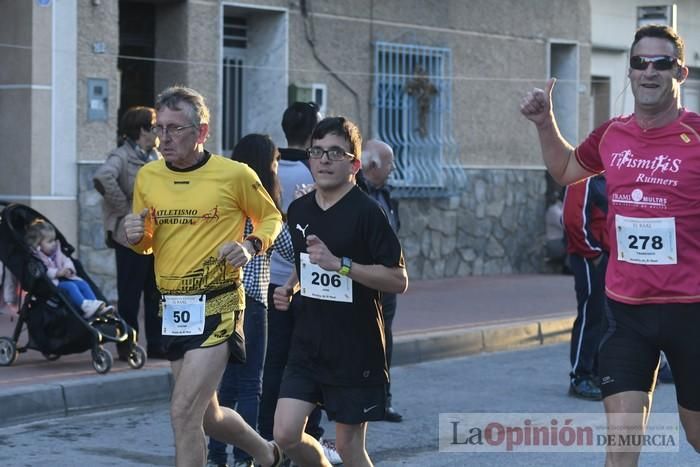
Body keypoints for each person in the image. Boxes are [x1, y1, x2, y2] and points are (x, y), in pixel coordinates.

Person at [521, 24, 700, 466]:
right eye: (640, 63)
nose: (650, 72)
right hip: (625, 312)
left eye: (662, 63)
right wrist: (545, 122)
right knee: (620, 452)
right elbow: (565, 169)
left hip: (691, 311)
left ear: (681, 71)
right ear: (630, 71)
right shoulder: (612, 134)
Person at [123, 86, 283, 467]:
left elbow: (273, 216)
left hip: (219, 303)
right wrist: (136, 237)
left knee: (182, 412)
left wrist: (250, 246)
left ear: (202, 132)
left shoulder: (234, 174)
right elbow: (147, 242)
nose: (164, 138)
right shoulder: (148, 177)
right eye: (160, 128)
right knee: (206, 416)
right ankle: (267, 452)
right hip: (172, 307)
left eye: (176, 128)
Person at [272, 117, 408, 466]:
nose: (325, 160)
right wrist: (290, 287)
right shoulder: (299, 209)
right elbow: (310, 264)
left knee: (348, 448)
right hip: (307, 344)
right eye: (317, 152)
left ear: (354, 164)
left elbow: (398, 280)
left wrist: (343, 265)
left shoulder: (369, 213)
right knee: (285, 434)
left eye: (335, 152)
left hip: (355, 349)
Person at [260, 102, 342, 464]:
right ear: (314, 135)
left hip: (272, 280)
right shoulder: (316, 176)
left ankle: (269, 440)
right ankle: (311, 436)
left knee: (275, 362)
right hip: (307, 283)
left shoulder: (271, 170)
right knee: (313, 362)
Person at [207, 134, 295, 467]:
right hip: (253, 304)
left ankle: (216, 455)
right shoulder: (262, 208)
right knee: (249, 384)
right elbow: (290, 249)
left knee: (224, 386)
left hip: (218, 300)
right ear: (265, 167)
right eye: (275, 162)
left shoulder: (223, 200)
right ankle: (246, 456)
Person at [93, 106, 164, 359]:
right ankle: (127, 345)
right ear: (142, 130)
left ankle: (156, 344)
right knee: (130, 294)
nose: (159, 131)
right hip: (129, 237)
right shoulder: (121, 156)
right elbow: (102, 178)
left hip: (154, 236)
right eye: (155, 125)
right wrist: (125, 209)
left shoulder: (156, 156)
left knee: (155, 293)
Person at [361, 139, 403, 423]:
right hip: (360, 279)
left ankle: (381, 399)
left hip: (385, 283)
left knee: (383, 339)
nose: (393, 169)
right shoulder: (354, 192)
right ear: (373, 165)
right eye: (389, 163)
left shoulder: (386, 194)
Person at [562, 175, 608, 401]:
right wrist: (594, 253)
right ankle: (580, 376)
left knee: (605, 315)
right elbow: (572, 219)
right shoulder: (584, 174)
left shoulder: (610, 171)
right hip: (590, 255)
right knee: (591, 314)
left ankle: (597, 373)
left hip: (605, 254)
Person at [25, 220, 111, 318]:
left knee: (82, 283)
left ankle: (95, 305)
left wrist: (68, 269)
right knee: (71, 286)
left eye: (53, 240)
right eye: (49, 241)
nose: (53, 244)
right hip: (52, 285)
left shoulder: (56, 252)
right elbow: (44, 271)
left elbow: (67, 260)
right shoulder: (38, 257)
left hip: (64, 279)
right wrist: (57, 273)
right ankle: (84, 306)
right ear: (38, 245)